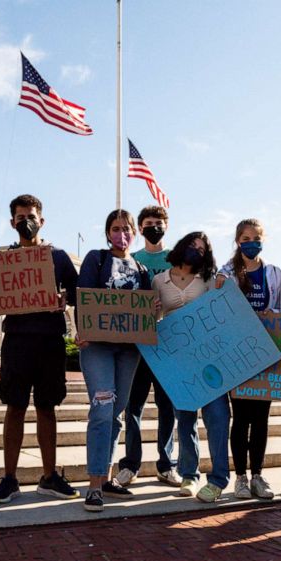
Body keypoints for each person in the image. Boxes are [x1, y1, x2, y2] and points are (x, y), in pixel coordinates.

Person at [0, 194, 79, 504]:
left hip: (50, 341)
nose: (26, 220)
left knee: (47, 407)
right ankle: (10, 478)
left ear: (42, 220)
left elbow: (80, 296)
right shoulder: (3, 260)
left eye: (31, 215)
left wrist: (65, 299)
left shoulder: (60, 257)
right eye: (20, 216)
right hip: (17, 340)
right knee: (14, 407)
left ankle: (49, 475)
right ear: (12, 222)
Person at [76, 210, 152, 511]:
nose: (121, 233)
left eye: (126, 228)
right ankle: (94, 485)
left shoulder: (142, 269)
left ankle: (106, 477)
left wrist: (152, 308)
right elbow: (83, 296)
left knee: (117, 412)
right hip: (98, 346)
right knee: (102, 408)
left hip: (129, 349)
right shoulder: (96, 259)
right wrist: (82, 329)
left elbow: (146, 309)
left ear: (134, 233)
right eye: (115, 228)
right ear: (108, 233)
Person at [152, 232, 231, 502]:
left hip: (209, 358)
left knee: (217, 416)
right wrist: (153, 310)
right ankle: (189, 475)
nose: (196, 251)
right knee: (185, 418)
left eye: (202, 249)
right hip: (178, 359)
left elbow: (222, 310)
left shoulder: (209, 279)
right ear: (181, 246)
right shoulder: (158, 280)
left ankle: (219, 478)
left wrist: (225, 283)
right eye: (192, 245)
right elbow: (152, 320)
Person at [215, 219, 281, 500]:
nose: (251, 242)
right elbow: (218, 311)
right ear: (237, 242)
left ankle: (258, 475)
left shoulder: (275, 273)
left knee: (262, 418)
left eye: (256, 237)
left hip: (266, 353)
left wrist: (273, 314)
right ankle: (240, 478)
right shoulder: (226, 274)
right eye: (245, 238)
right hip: (237, 354)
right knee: (241, 419)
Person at [115, 206, 180, 488]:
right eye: (149, 223)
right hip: (138, 345)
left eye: (159, 222)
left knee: (168, 408)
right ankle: (131, 464)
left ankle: (167, 465)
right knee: (133, 409)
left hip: (169, 344)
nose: (154, 227)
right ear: (140, 229)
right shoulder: (132, 260)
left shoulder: (176, 260)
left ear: (166, 225)